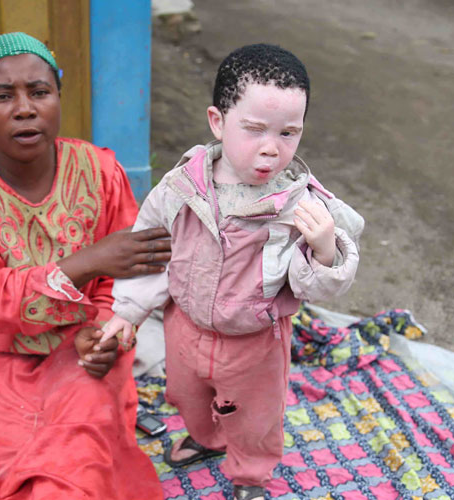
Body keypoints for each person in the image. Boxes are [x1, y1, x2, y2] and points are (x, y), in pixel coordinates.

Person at [100, 44, 364, 500]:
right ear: (218, 122)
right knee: (186, 396)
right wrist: (128, 310)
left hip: (255, 343)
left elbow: (314, 285)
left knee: (256, 417)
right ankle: (206, 439)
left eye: (288, 133)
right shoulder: (182, 187)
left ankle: (250, 474)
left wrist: (324, 248)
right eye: (255, 129)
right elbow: (152, 248)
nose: (271, 148)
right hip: (186, 329)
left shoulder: (300, 204)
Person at [0, 32, 168, 500]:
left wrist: (108, 335)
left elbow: (127, 281)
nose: (25, 109)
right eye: (2, 96)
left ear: (57, 96)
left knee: (79, 448)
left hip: (81, 344)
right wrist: (88, 259)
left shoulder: (99, 171)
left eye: (39, 91)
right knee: (9, 455)